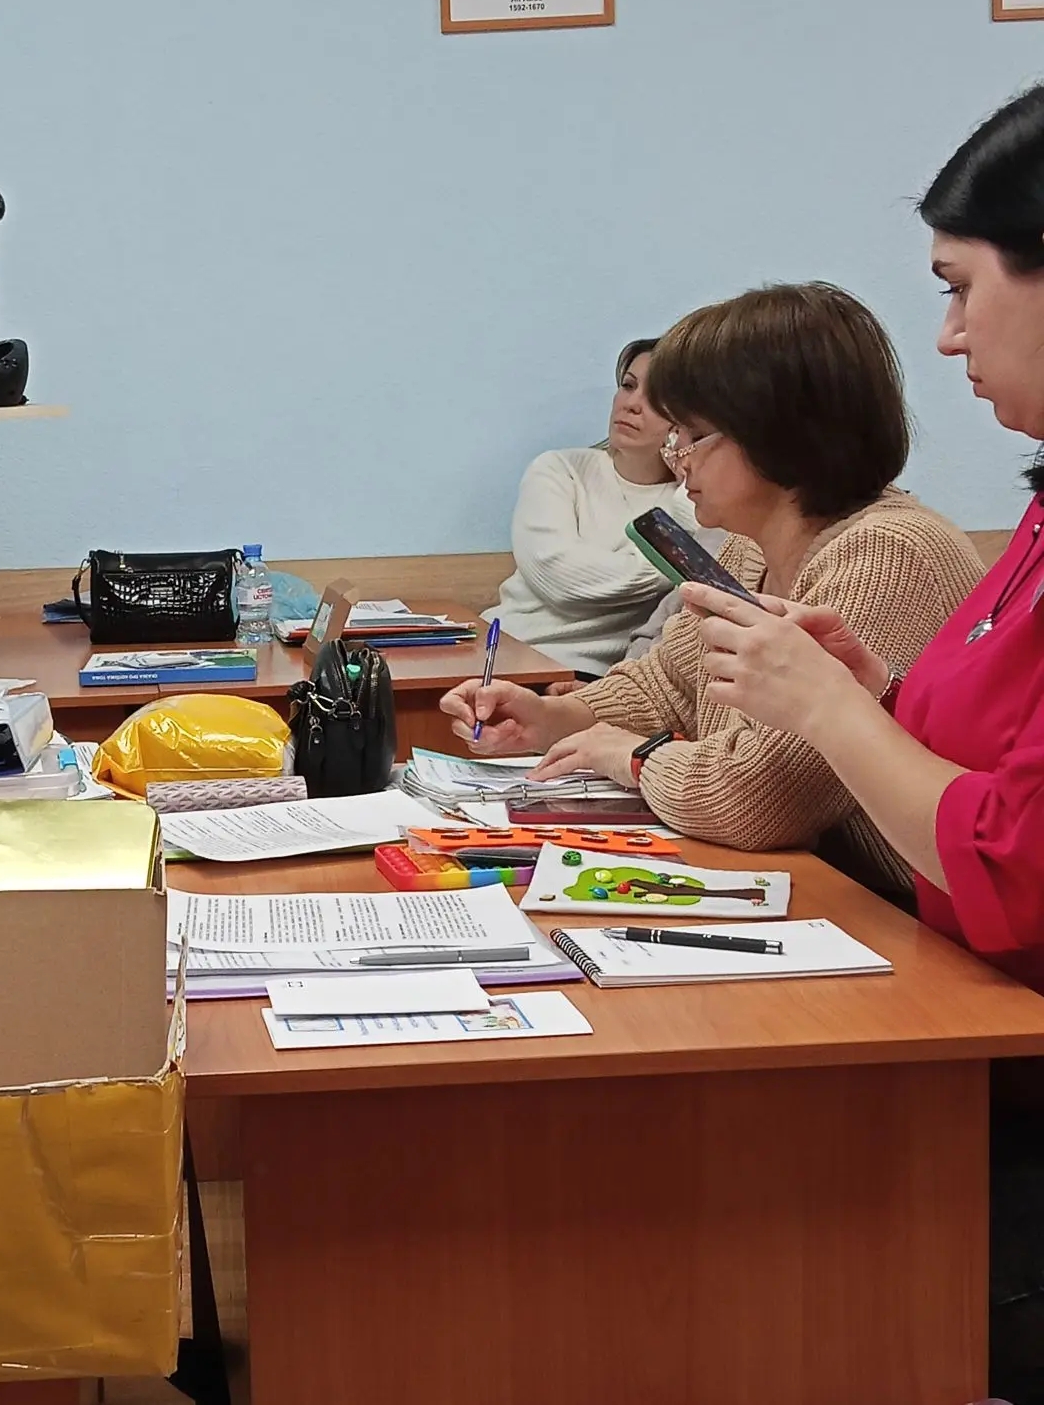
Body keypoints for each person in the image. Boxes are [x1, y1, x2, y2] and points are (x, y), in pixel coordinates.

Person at [667, 90, 1044, 1405]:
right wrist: (874, 687)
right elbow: (983, 750)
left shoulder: (884, 541)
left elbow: (1011, 854)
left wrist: (832, 713)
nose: (947, 335)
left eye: (961, 288)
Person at [443, 284, 983, 901]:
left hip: (909, 918)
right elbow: (669, 684)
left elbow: (759, 799)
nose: (676, 457)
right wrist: (551, 718)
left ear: (776, 434)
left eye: (692, 434)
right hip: (821, 889)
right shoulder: (752, 544)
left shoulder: (888, 555)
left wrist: (634, 757)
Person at [486, 340, 709, 681]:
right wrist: (671, 560)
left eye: (657, 397)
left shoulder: (694, 502)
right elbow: (562, 583)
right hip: (504, 652)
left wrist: (686, 488)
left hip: (590, 680)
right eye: (628, 386)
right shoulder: (561, 469)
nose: (631, 404)